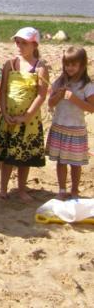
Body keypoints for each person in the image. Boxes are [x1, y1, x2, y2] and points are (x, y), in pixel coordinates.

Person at [0, 27, 49, 202]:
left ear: (34, 45)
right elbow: (3, 90)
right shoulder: (9, 64)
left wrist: (27, 115)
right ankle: (3, 188)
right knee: (7, 156)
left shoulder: (40, 67)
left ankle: (21, 189)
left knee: (25, 157)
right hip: (9, 117)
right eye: (17, 42)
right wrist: (4, 111)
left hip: (28, 121)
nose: (19, 46)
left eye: (24, 43)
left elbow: (41, 95)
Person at [46, 47, 94, 199]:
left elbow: (92, 108)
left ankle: (74, 190)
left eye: (74, 64)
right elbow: (50, 103)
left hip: (76, 130)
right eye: (67, 64)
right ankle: (62, 189)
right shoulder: (59, 82)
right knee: (61, 161)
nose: (70, 68)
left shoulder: (86, 85)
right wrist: (58, 95)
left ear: (82, 65)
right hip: (59, 127)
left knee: (75, 163)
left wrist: (74, 99)